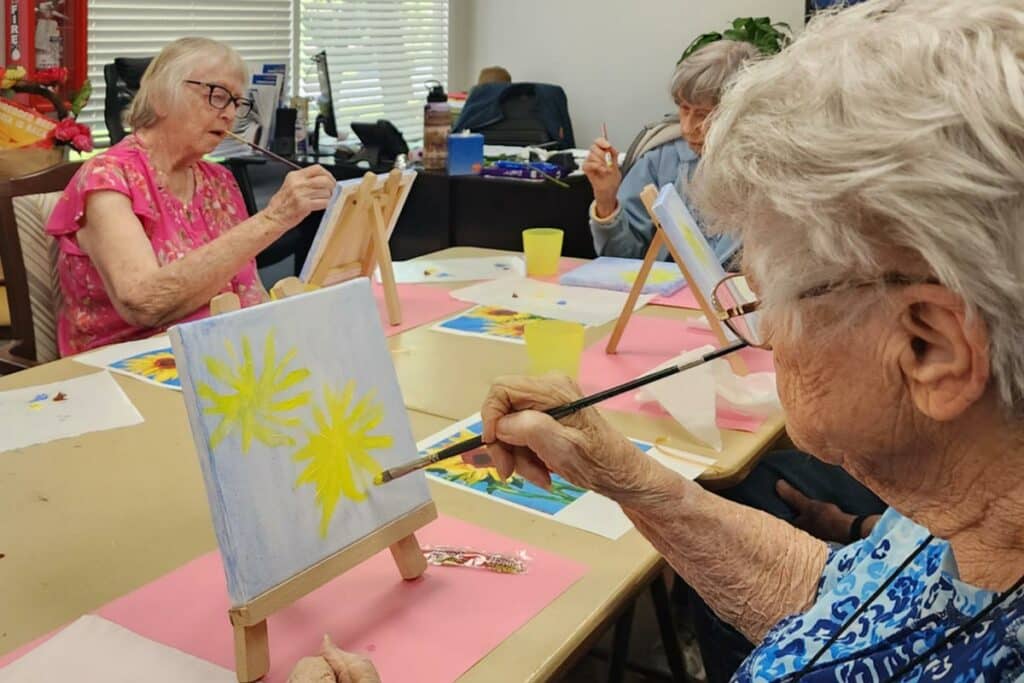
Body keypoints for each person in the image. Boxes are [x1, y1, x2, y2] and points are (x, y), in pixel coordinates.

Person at [478, 1, 1024, 680]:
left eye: (771, 299)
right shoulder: (967, 512)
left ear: (930, 349)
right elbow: (834, 590)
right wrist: (617, 471)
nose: (762, 338)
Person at [46, 37, 337, 356]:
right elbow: (143, 304)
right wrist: (274, 218)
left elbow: (248, 290)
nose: (229, 114)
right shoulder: (108, 178)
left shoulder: (220, 181)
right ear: (160, 98)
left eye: (237, 103)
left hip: (223, 352)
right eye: (217, 95)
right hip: (130, 365)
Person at [583, 39, 758, 263]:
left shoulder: (774, 169)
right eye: (684, 109)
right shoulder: (661, 158)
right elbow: (623, 260)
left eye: (704, 115)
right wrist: (606, 201)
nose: (687, 128)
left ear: (741, 112)